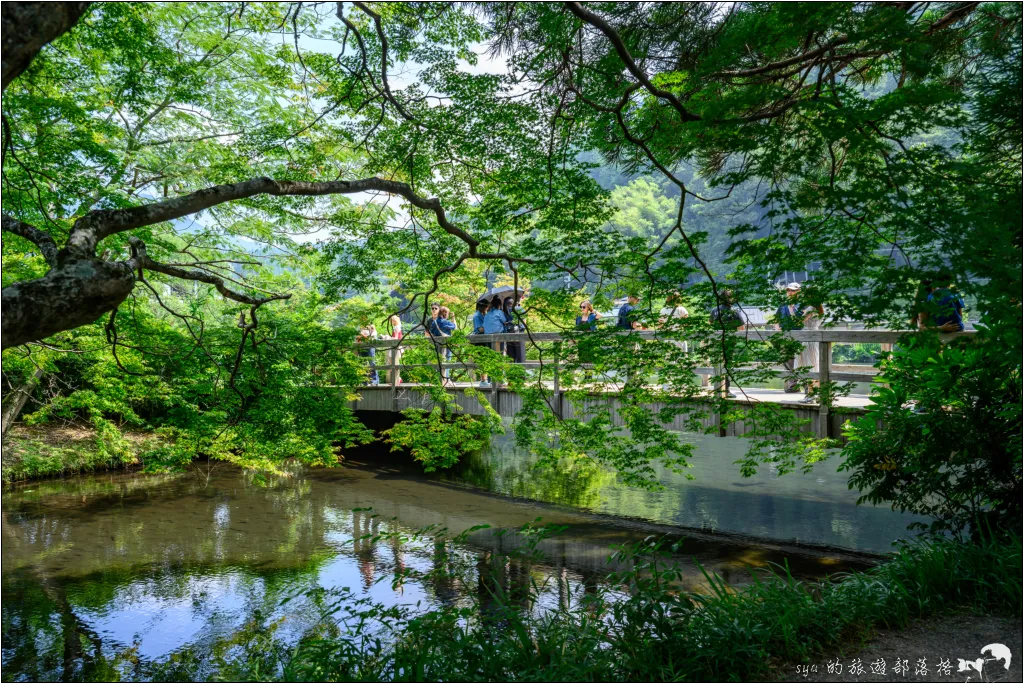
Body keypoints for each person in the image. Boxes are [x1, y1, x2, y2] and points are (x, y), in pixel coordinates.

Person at [709, 289, 743, 398]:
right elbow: (741, 327)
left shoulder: (714, 310)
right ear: (730, 298)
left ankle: (717, 389)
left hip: (716, 341)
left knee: (717, 364)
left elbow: (710, 323)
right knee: (727, 365)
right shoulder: (734, 310)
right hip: (729, 342)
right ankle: (726, 390)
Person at [774, 282, 805, 392]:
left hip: (801, 336)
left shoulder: (803, 304)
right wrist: (777, 328)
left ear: (799, 291)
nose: (790, 292)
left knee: (803, 361)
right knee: (788, 361)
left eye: (792, 290)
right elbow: (776, 318)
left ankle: (808, 386)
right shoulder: (783, 304)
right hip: (786, 337)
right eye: (788, 290)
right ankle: (793, 386)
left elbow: (805, 320)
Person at [427, 304, 457, 381]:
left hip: (437, 345)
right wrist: (453, 317)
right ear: (446, 314)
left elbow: (432, 333)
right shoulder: (446, 322)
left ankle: (439, 380)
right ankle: (446, 380)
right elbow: (455, 327)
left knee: (439, 362)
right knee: (447, 361)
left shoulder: (434, 322)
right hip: (447, 346)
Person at [471, 300, 491, 387]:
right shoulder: (477, 316)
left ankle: (487, 379)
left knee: (487, 359)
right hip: (480, 339)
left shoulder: (484, 314)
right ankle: (483, 380)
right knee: (482, 359)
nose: (487, 308)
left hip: (485, 339)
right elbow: (480, 329)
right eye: (486, 306)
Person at [502, 296, 525, 364]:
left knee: (511, 355)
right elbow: (524, 321)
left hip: (509, 335)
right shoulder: (519, 309)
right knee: (520, 355)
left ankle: (511, 373)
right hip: (519, 334)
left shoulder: (504, 311)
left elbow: (504, 323)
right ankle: (521, 373)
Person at [388, 314, 403, 386]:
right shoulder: (397, 327)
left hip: (396, 347)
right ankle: (397, 379)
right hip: (395, 346)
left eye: (392, 320)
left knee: (394, 363)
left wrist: (388, 338)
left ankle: (397, 381)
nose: (391, 322)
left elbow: (396, 338)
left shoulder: (396, 327)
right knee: (392, 362)